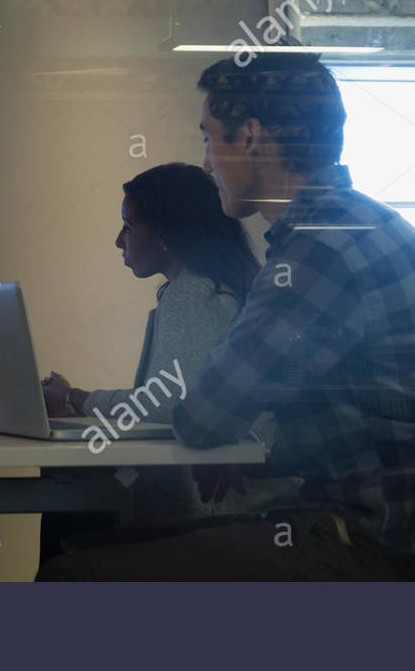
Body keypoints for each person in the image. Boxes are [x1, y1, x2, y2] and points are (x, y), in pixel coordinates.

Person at [38, 54, 415, 580]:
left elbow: (201, 418)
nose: (206, 162)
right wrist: (249, 443)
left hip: (360, 553)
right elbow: (333, 411)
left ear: (248, 136)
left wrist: (226, 430)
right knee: (85, 547)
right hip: (381, 538)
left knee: (71, 573)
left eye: (208, 137)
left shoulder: (317, 253)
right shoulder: (371, 227)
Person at [38, 163, 300, 548]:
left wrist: (72, 398)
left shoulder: (192, 295)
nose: (118, 241)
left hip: (215, 516)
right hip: (248, 506)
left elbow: (164, 405)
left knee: (70, 518)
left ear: (164, 233)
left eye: (128, 226)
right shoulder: (223, 289)